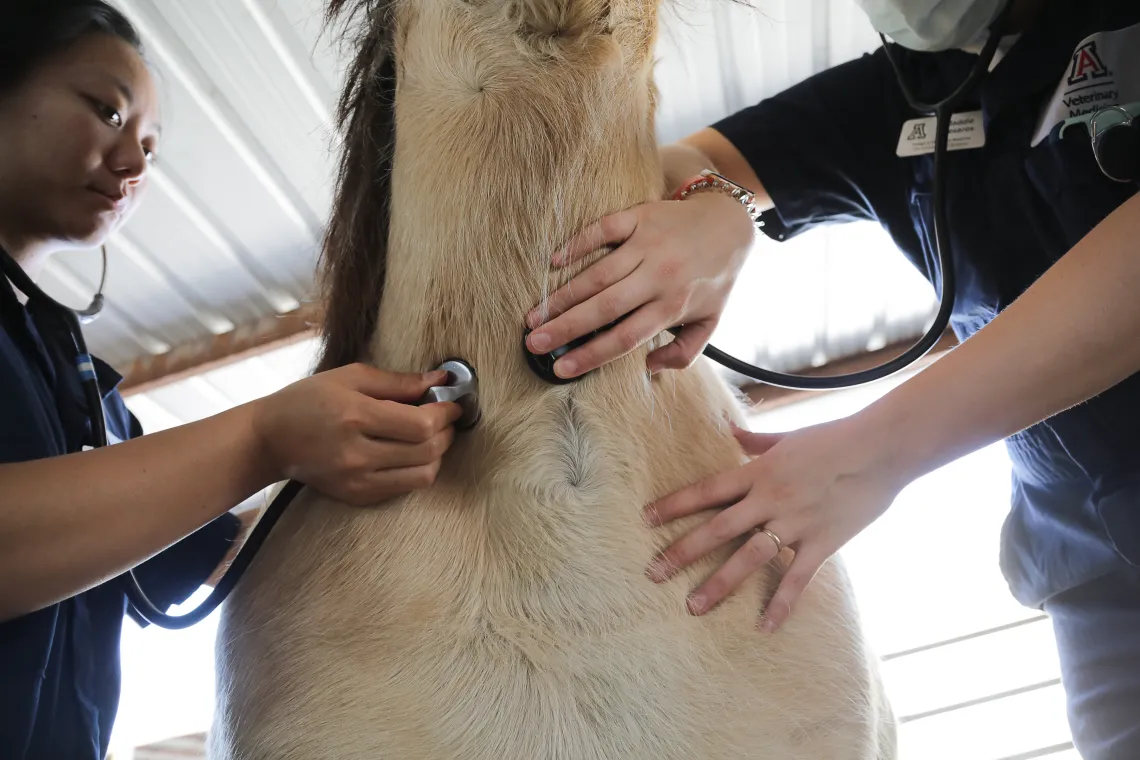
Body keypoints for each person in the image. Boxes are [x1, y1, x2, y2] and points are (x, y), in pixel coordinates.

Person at [525, 0, 1140, 756]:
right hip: (1099, 579)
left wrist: (871, 452)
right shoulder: (910, 93)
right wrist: (717, 209)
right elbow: (692, 165)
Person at [0, 3, 463, 758]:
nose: (136, 162)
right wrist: (265, 436)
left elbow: (189, 558)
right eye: (107, 110)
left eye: (150, 146)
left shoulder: (86, 390)